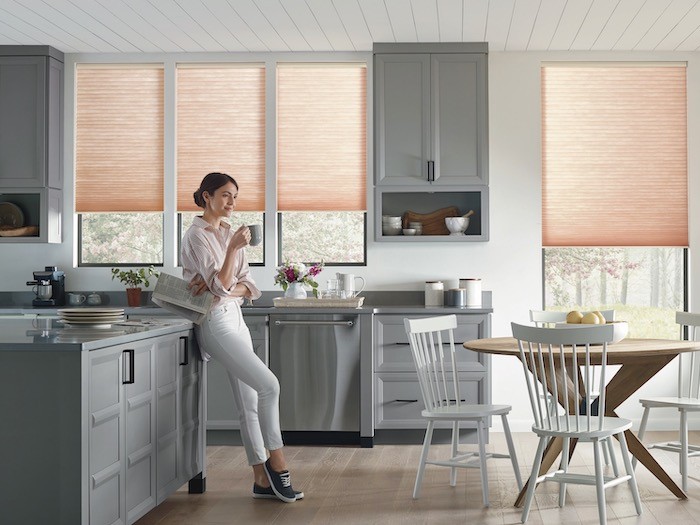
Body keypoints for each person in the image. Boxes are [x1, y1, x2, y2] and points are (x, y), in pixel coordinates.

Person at [181, 172, 302, 503]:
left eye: (234, 196)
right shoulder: (195, 236)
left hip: (234, 318)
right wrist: (232, 253)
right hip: (214, 325)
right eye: (225, 195)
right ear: (207, 196)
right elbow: (220, 289)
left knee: (250, 401)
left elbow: (248, 285)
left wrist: (224, 285)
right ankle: (278, 462)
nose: (232, 202)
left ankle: (261, 481)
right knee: (270, 386)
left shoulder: (227, 232)